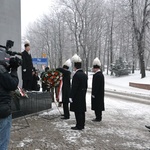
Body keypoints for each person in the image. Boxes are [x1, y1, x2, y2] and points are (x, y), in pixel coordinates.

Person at [0, 49, 19, 150]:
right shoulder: (2, 71)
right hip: (2, 111)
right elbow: (13, 84)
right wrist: (14, 69)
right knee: (2, 143)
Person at [70, 55, 88, 130]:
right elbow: (86, 86)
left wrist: (71, 96)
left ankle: (78, 125)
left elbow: (74, 87)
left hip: (77, 96)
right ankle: (82, 124)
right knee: (82, 111)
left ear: (75, 67)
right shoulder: (84, 75)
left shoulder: (76, 75)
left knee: (77, 111)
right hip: (82, 95)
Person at [91, 57, 105, 122]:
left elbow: (96, 86)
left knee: (97, 106)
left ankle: (98, 117)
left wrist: (93, 93)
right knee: (98, 105)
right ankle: (98, 117)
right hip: (100, 93)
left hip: (97, 94)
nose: (93, 69)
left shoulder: (98, 75)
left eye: (93, 68)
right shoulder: (100, 75)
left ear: (96, 68)